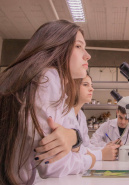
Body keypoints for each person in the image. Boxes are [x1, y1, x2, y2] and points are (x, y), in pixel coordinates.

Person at [0, 20, 95, 185]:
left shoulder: (38, 78)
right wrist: (90, 160)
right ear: (57, 47)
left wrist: (73, 137)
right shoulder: (47, 78)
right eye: (79, 46)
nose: (87, 55)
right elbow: (52, 165)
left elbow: (69, 137)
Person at [74, 74, 121, 160]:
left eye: (91, 85)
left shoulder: (81, 115)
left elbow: (86, 146)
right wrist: (101, 154)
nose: (92, 89)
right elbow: (73, 151)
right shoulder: (64, 114)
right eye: (85, 84)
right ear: (72, 87)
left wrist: (106, 148)